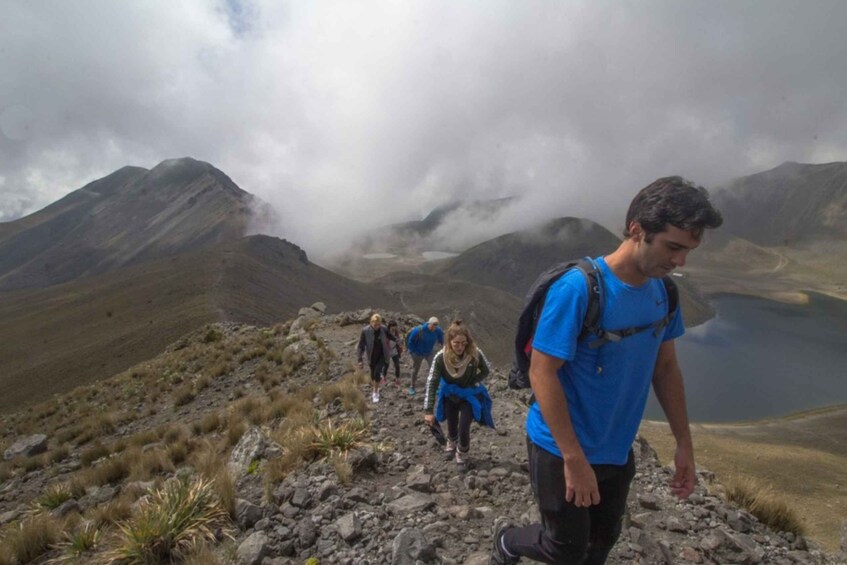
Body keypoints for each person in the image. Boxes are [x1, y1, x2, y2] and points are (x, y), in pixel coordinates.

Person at [491, 176, 723, 565]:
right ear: (637, 231)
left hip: (616, 449)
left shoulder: (663, 292)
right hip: (559, 446)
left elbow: (665, 369)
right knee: (562, 548)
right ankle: (507, 542)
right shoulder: (579, 289)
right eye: (674, 247)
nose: (680, 261)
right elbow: (542, 373)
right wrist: (574, 458)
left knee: (599, 546)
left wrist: (684, 444)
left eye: (688, 251)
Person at [423, 320, 493, 472]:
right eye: (456, 343)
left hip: (468, 395)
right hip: (450, 395)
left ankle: (462, 453)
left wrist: (473, 381)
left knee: (464, 426)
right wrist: (428, 411)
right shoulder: (441, 357)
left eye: (463, 343)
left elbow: (487, 370)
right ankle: (451, 443)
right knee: (452, 422)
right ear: (449, 342)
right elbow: (432, 381)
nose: (460, 347)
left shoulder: (475, 354)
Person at [356, 313, 396, 404]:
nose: (376, 326)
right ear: (371, 322)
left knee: (377, 372)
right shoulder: (365, 331)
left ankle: (375, 392)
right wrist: (360, 359)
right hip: (371, 356)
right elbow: (361, 346)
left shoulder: (384, 329)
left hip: (382, 355)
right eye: (374, 324)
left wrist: (396, 340)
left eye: (378, 324)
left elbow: (390, 336)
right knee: (373, 375)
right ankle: (375, 385)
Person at [406, 316, 444, 396]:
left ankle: (434, 387)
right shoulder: (419, 330)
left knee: (433, 369)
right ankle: (412, 387)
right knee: (416, 369)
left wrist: (442, 346)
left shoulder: (438, 330)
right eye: (433, 325)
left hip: (429, 352)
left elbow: (441, 339)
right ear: (428, 324)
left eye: (436, 325)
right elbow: (410, 341)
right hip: (417, 353)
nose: (434, 327)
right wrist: (412, 352)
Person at [382, 320, 404, 386]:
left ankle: (397, 379)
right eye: (392, 326)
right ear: (389, 326)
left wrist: (400, 345)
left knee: (397, 365)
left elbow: (398, 340)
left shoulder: (396, 332)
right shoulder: (386, 332)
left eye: (395, 326)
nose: (394, 328)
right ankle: (384, 378)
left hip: (394, 351)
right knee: (386, 365)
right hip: (387, 351)